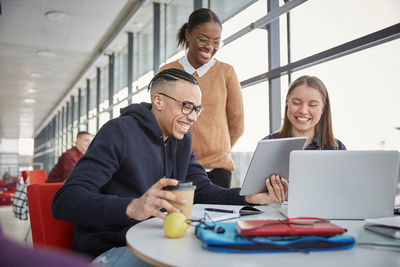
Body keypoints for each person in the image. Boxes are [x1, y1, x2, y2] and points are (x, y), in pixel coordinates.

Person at [51, 69, 287, 266]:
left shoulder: (182, 141)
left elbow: (202, 190)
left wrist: (249, 196)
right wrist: (132, 207)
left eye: (197, 109)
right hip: (109, 251)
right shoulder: (119, 132)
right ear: (159, 101)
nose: (193, 117)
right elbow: (65, 200)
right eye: (186, 106)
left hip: (157, 244)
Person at [159, 8, 244, 188]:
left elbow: (237, 123)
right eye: (203, 39)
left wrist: (219, 152)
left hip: (218, 171)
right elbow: (159, 119)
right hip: (177, 166)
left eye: (216, 42)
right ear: (188, 35)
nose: (209, 47)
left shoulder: (226, 73)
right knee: (177, 216)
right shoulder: (167, 72)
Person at [263, 75, 346, 150]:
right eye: (296, 103)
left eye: (312, 105)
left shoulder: (337, 148)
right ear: (287, 103)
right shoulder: (267, 144)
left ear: (323, 109)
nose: (303, 111)